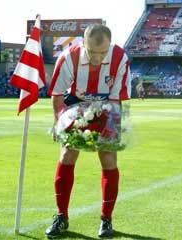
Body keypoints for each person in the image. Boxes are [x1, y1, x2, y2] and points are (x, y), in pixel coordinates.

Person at [45, 24, 131, 239]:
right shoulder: (68, 57)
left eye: (103, 52)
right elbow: (57, 95)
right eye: (92, 51)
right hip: (75, 104)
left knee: (109, 159)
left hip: (107, 104)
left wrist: (112, 129)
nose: (97, 58)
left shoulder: (120, 58)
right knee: (67, 154)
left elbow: (116, 99)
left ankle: (106, 220)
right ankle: (61, 217)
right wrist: (58, 123)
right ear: (83, 43)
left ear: (110, 45)